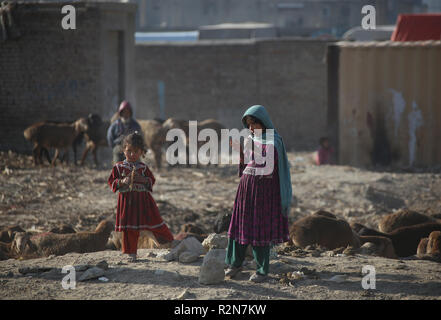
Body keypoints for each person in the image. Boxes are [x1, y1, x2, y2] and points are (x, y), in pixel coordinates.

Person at [225, 105, 292, 283]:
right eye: (248, 125)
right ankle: (234, 264)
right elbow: (248, 163)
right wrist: (241, 152)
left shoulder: (273, 142)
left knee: (259, 231)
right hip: (246, 192)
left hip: (263, 195)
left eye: (254, 123)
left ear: (264, 123)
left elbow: (267, 166)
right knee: (240, 226)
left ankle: (262, 271)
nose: (251, 128)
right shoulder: (252, 140)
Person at [107, 132, 174, 262]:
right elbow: (111, 182)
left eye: (136, 151)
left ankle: (170, 242)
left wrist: (142, 180)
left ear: (142, 152)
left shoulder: (143, 168)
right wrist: (122, 182)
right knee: (129, 228)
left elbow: (151, 180)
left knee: (155, 222)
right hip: (127, 201)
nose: (132, 154)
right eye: (129, 151)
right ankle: (130, 253)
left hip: (144, 201)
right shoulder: (119, 167)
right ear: (123, 150)